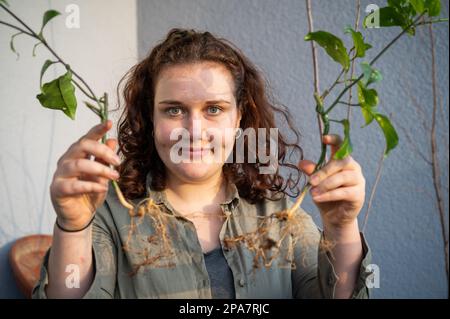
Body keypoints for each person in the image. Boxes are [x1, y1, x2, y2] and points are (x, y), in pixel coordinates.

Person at [33, 28, 371, 299]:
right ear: (150, 118)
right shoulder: (110, 214)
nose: (194, 132)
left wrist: (342, 227)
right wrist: (73, 225)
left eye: (214, 109)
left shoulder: (279, 213)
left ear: (239, 117)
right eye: (174, 109)